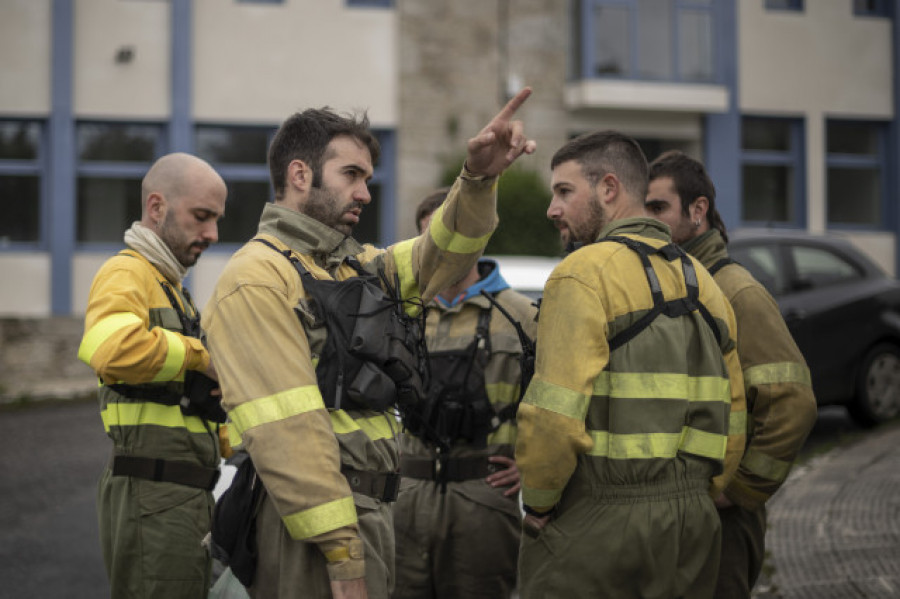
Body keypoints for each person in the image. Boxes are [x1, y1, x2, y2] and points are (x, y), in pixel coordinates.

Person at [201, 89, 536, 599]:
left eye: (367, 179)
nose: (364, 194)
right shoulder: (258, 278)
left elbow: (443, 255)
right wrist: (342, 553)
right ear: (299, 175)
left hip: (371, 515)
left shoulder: (352, 266)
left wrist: (478, 179)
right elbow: (288, 435)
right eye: (350, 175)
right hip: (314, 533)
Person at [514, 130, 747, 598]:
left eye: (564, 191)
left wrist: (537, 501)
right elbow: (734, 412)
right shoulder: (705, 282)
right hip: (693, 528)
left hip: (600, 525)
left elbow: (553, 416)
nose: (551, 209)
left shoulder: (581, 274)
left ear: (609, 189)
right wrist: (700, 490)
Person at [646, 150, 818, 598]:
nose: (648, 220)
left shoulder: (735, 291)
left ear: (698, 210)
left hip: (721, 523)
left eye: (658, 208)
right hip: (673, 515)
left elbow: (792, 403)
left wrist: (740, 491)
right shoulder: (674, 286)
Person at [77, 152, 228, 598]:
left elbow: (184, 400)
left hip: (178, 494)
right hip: (155, 494)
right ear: (157, 208)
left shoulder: (169, 286)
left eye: (217, 220)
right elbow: (110, 349)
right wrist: (201, 356)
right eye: (202, 217)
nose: (212, 234)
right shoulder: (127, 272)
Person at [391, 190, 539, 599]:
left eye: (455, 233)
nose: (444, 248)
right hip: (408, 501)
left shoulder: (522, 315)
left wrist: (529, 466)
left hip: (485, 502)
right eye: (432, 238)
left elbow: (556, 407)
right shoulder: (402, 315)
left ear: (477, 237)